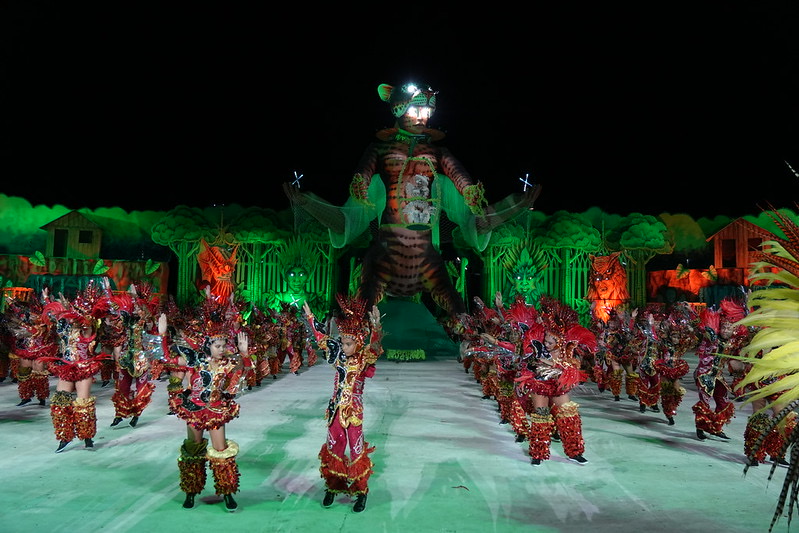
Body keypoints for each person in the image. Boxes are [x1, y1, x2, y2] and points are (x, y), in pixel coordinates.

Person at [303, 295, 382, 513]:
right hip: (335, 411)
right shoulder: (338, 357)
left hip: (354, 413)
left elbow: (375, 347)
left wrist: (375, 325)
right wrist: (310, 316)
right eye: (343, 343)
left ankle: (361, 492)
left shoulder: (363, 359)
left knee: (356, 452)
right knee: (333, 447)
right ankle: (333, 485)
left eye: (349, 343)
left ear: (358, 342)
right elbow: (321, 337)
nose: (344, 347)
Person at [170, 303, 248, 513]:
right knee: (193, 450)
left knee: (221, 451)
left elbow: (242, 375)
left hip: (215, 411)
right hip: (194, 410)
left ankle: (228, 491)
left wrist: (244, 354)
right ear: (207, 346)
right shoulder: (195, 363)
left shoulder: (227, 364)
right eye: (218, 346)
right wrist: (178, 396)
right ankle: (191, 491)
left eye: (224, 345)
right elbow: (172, 367)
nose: (222, 350)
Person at [520, 296, 596, 465]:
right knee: (541, 416)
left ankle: (574, 451)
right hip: (540, 385)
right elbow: (527, 360)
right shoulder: (536, 344)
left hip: (558, 386)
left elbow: (572, 367)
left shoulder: (567, 351)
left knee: (570, 416)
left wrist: (556, 366)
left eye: (549, 342)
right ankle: (538, 453)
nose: (545, 344)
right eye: (544, 340)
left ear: (559, 341)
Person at [38, 285, 110, 452]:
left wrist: (83, 316)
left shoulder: (86, 328)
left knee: (83, 403)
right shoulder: (63, 326)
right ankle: (64, 436)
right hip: (65, 367)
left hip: (83, 368)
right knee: (60, 401)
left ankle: (87, 436)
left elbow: (88, 322)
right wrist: (47, 300)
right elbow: (51, 313)